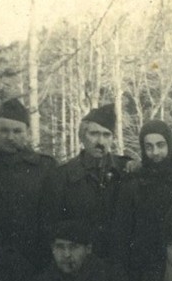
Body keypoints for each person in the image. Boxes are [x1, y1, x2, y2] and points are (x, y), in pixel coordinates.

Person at [0, 98, 57, 270]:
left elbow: (51, 217)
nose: (10, 137)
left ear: (27, 132)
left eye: (17, 131)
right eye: (4, 131)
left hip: (34, 259)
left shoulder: (46, 167)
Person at [114, 119, 172, 281]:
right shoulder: (132, 188)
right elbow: (122, 240)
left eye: (160, 145)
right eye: (149, 147)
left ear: (170, 145)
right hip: (144, 276)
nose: (155, 152)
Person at [39, 104, 132, 260]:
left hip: (118, 263)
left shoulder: (125, 170)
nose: (100, 141)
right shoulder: (62, 176)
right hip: (78, 264)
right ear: (82, 136)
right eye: (94, 134)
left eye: (106, 135)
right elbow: (50, 228)